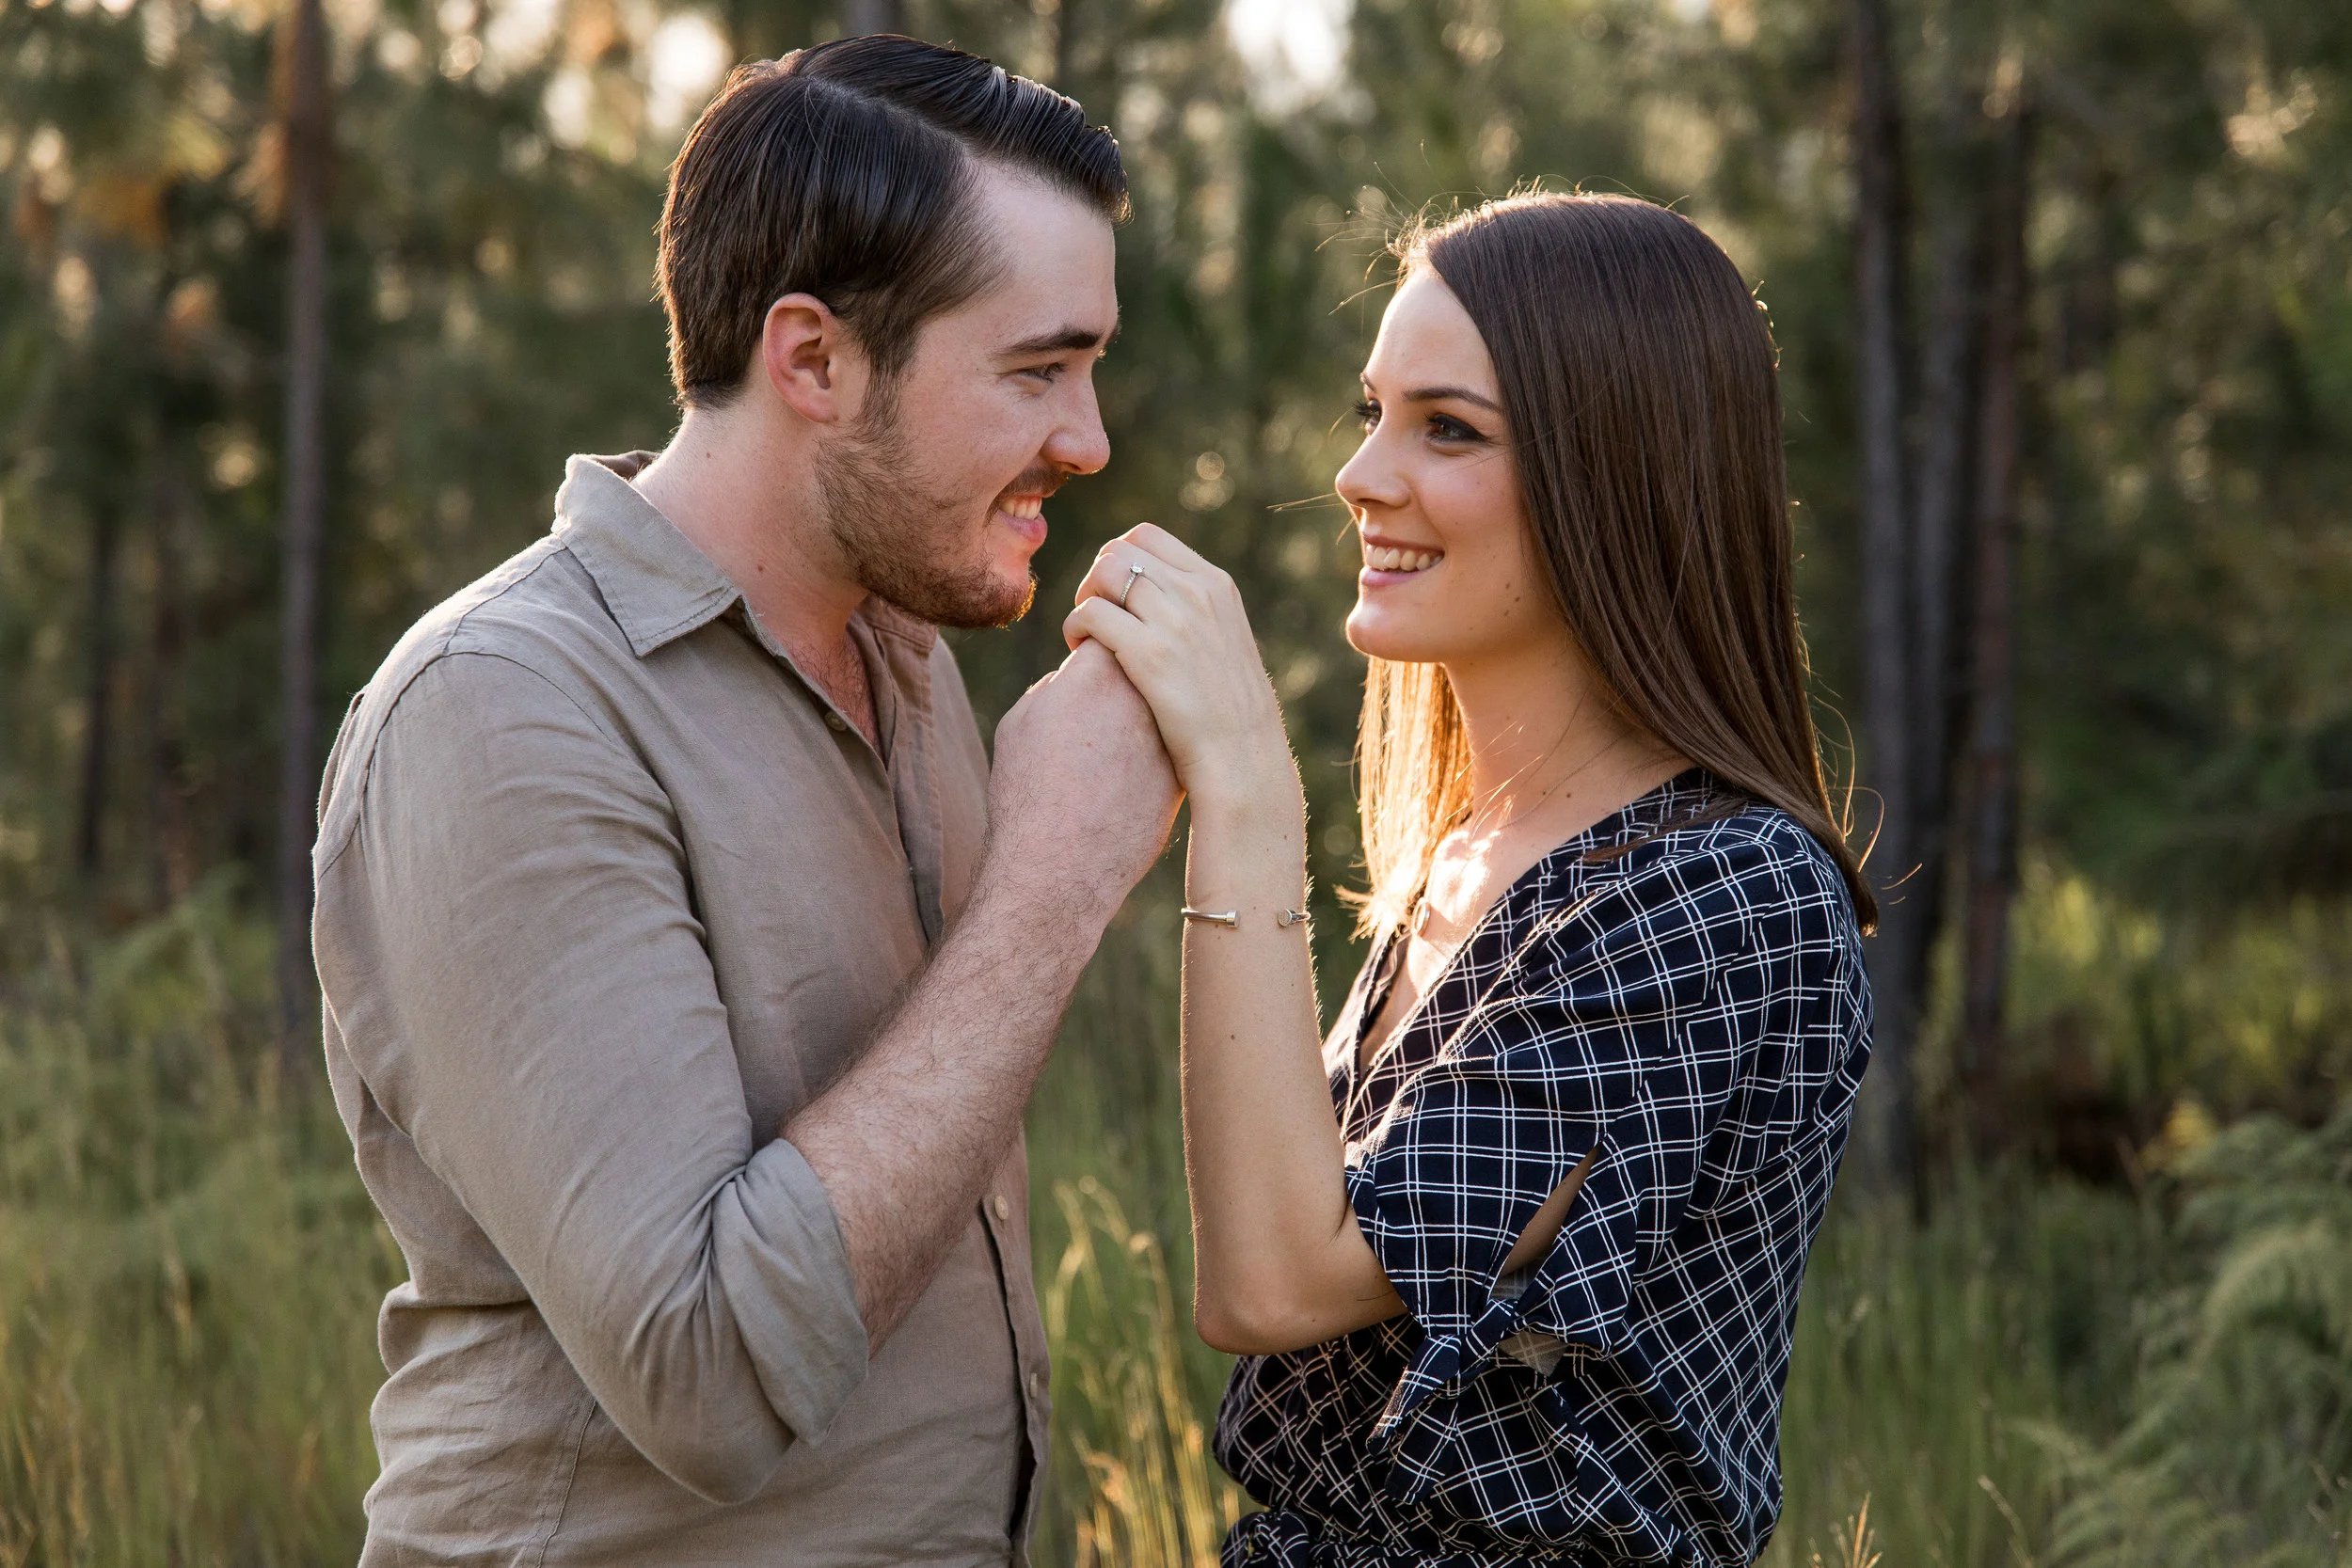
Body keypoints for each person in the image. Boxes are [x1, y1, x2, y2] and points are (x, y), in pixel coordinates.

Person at [310, 38, 1178, 1565]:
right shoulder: (505, 711)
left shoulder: (911, 657)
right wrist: (1056, 879)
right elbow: (703, 1368)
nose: (1088, 440)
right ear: (815, 360)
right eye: (1038, 369)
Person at [1066, 193, 1877, 1565]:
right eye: (1371, 410)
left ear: (1612, 470)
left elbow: (1273, 1280)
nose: (1362, 474)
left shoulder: (1728, 896)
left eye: (1448, 428)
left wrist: (1250, 793)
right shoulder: (1464, 857)